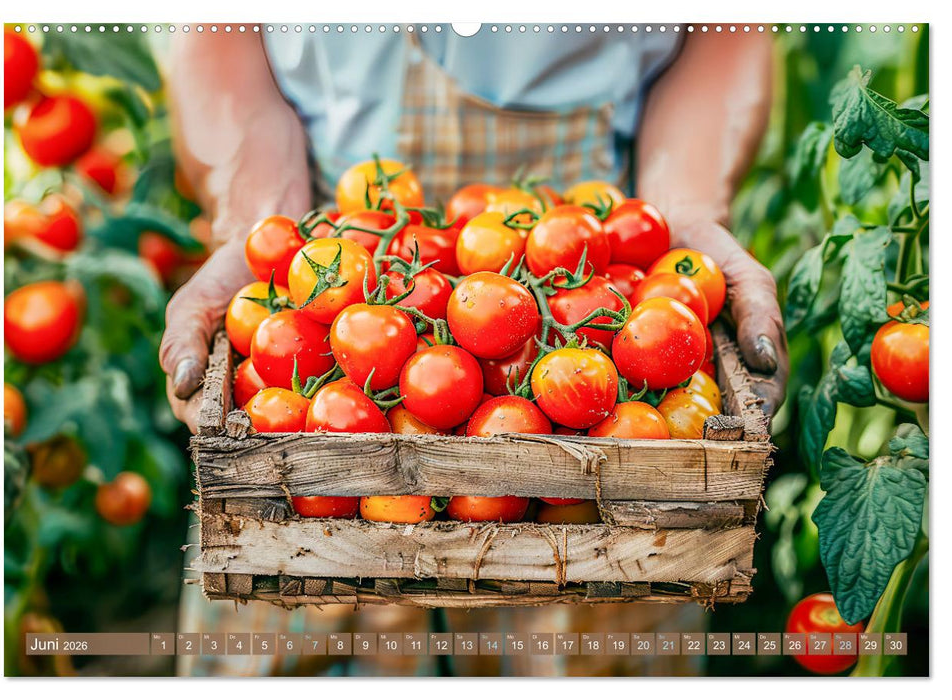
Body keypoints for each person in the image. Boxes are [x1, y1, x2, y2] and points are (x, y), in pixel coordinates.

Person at [163, 25, 787, 677]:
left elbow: (724, 32)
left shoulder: (590, 323)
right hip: (329, 285)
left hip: (597, 317)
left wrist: (681, 208)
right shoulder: (329, 311)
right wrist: (257, 223)